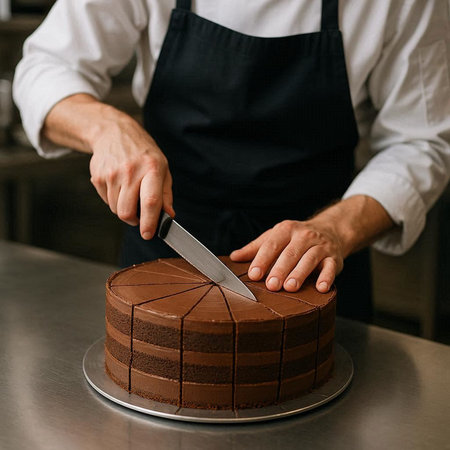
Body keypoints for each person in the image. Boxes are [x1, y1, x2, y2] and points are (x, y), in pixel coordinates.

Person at [14, 0, 450, 322]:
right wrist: (106, 126)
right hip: (165, 246)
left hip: (312, 272)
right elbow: (45, 67)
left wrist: (336, 228)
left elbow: (422, 142)